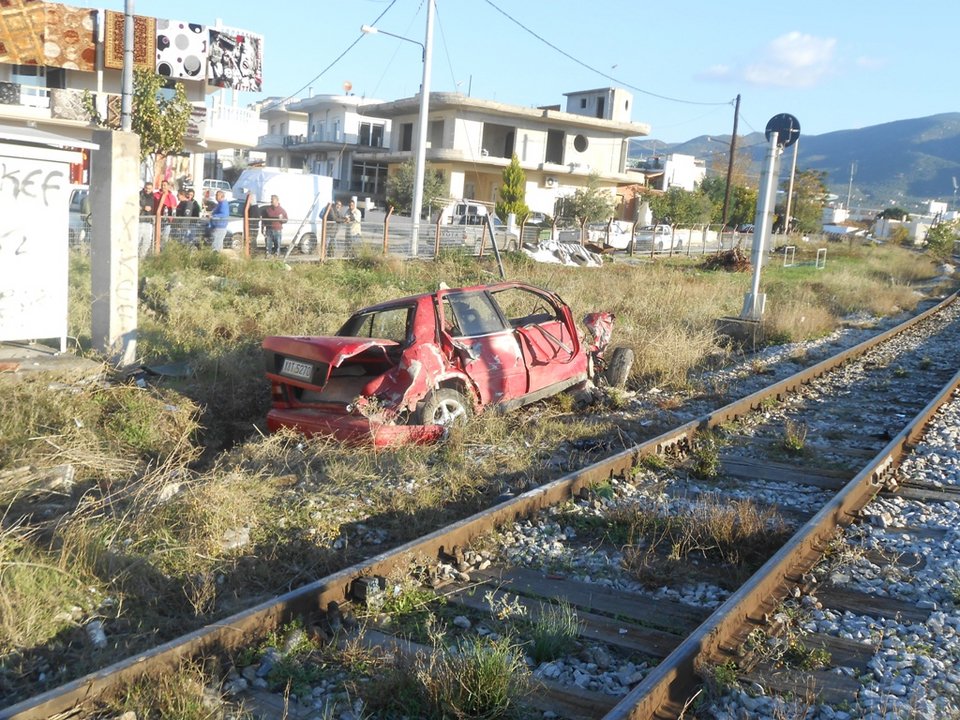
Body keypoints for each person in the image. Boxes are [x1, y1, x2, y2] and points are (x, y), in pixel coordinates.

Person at [138, 180, 158, 257]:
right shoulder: (140, 195)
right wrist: (143, 208)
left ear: (152, 188)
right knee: (138, 241)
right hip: (140, 220)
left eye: (149, 188)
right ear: (144, 188)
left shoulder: (153, 196)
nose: (147, 190)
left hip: (149, 222)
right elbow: (134, 206)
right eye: (146, 188)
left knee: (147, 242)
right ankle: (136, 257)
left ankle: (142, 258)